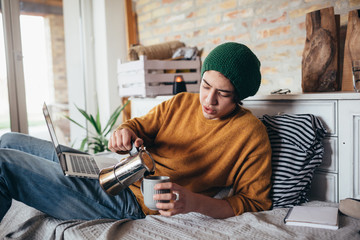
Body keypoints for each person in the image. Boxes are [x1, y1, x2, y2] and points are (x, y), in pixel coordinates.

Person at [0, 42, 272, 222]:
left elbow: (254, 203)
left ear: (239, 96)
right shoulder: (181, 102)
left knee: (3, 163)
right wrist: (123, 132)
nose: (208, 101)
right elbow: (136, 126)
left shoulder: (250, 134)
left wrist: (193, 203)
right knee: (9, 139)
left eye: (222, 94)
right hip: (113, 171)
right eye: (204, 85)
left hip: (130, 202)